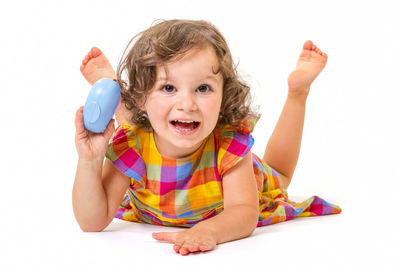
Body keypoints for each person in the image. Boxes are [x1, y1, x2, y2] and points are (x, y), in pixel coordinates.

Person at [73, 19, 341, 256]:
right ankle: (115, 93)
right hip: (145, 130)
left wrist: (209, 231)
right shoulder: (130, 148)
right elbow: (91, 222)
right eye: (169, 87)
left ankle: (298, 93)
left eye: (203, 88)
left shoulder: (227, 146)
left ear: (223, 95)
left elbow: (245, 213)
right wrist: (89, 161)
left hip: (247, 179)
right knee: (141, 128)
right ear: (140, 96)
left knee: (280, 176)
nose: (187, 104)